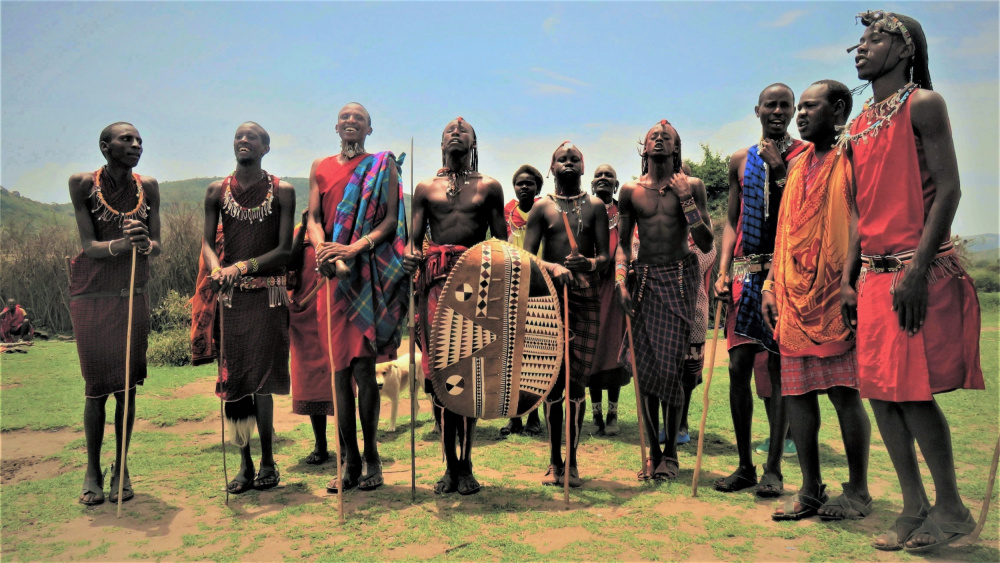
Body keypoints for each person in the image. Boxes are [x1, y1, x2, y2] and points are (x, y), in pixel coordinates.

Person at [841, 11, 984, 552]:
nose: (861, 47)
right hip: (874, 278)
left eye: (875, 38)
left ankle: (950, 508)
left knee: (912, 395)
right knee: (880, 395)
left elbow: (949, 190)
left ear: (904, 50)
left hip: (911, 270)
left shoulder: (923, 105)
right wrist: (850, 278)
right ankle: (912, 506)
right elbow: (859, 209)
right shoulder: (857, 123)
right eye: (859, 39)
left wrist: (919, 270)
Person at [764, 80, 872, 522]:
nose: (800, 115)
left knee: (845, 393)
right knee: (797, 394)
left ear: (839, 108)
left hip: (833, 295)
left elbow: (859, 218)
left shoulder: (853, 154)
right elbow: (786, 227)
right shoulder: (799, 162)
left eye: (810, 107)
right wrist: (771, 282)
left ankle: (859, 491)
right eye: (800, 108)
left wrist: (849, 279)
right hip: (792, 296)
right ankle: (810, 488)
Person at [307, 102, 408, 492]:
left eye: (359, 119)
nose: (351, 122)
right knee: (337, 374)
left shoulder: (382, 165)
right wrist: (323, 248)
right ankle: (347, 462)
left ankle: (372, 458)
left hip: (364, 274)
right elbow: (314, 218)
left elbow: (389, 221)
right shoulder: (320, 166)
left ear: (369, 128)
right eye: (345, 118)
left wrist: (352, 249)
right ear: (336, 126)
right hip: (331, 279)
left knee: (364, 371)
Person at [404, 117, 506, 495]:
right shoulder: (425, 188)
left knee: (471, 376)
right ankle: (449, 465)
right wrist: (410, 256)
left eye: (463, 130)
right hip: (434, 286)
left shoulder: (490, 187)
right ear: (441, 141)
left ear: (474, 141)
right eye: (449, 130)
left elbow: (501, 243)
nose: (456, 132)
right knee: (441, 380)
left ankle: (467, 464)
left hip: (475, 285)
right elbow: (414, 240)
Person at [714, 84, 807, 496]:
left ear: (792, 112)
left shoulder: (804, 155)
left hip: (785, 273)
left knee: (776, 369)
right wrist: (721, 271)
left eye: (785, 105)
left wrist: (782, 171)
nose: (777, 110)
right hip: (745, 272)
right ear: (757, 110)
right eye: (770, 104)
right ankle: (744, 465)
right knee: (737, 368)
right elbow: (732, 221)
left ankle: (773, 468)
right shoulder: (740, 159)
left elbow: (803, 210)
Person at [67, 122, 161, 505]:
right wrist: (122, 244)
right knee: (96, 388)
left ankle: (120, 466)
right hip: (92, 297)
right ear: (105, 146)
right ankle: (92, 468)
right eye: (127, 139)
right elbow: (88, 246)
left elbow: (156, 246)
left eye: (139, 139)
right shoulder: (82, 184)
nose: (136, 145)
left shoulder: (149, 187)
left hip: (131, 295)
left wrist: (144, 243)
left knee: (126, 387)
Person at [201, 121, 295, 495]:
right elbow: (207, 244)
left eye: (252, 137)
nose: (244, 141)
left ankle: (269, 461)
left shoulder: (283, 191)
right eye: (239, 136)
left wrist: (241, 266)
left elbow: (285, 250)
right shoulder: (215, 191)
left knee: (262, 381)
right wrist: (214, 268)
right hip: (231, 299)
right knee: (235, 381)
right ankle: (244, 463)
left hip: (268, 296)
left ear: (265, 148)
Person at [616, 120, 713, 480]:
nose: (658, 139)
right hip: (643, 281)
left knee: (672, 367)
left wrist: (686, 198)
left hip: (679, 280)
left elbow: (704, 242)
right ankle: (651, 453)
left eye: (666, 137)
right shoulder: (630, 191)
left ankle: (671, 454)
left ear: (676, 148)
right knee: (644, 371)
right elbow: (625, 245)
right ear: (644, 148)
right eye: (653, 136)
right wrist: (620, 281)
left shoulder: (694, 187)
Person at [524, 142, 610, 487]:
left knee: (577, 384)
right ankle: (554, 462)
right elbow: (526, 256)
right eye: (563, 159)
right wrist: (553, 267)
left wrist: (588, 263)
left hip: (585, 297)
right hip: (548, 299)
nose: (569, 163)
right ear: (552, 167)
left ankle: (573, 462)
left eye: (575, 159)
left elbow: (604, 257)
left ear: (583, 165)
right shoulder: (541, 209)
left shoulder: (596, 207)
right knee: (553, 383)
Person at [586, 164, 630, 437]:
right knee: (591, 349)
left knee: (614, 349)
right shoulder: (585, 211)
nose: (603, 179)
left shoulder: (623, 213)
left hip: (616, 288)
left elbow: (629, 243)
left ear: (616, 185)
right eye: (598, 176)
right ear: (591, 185)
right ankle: (596, 414)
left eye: (609, 176)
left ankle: (613, 414)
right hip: (590, 287)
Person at [501, 164, 544, 437]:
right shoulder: (507, 213)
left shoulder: (545, 210)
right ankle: (514, 418)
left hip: (540, 285)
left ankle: (535, 416)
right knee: (510, 357)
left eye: (530, 183)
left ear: (538, 188)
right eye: (519, 183)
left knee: (535, 356)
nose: (524, 186)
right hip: (511, 286)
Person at [287, 212, 334, 465]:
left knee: (338, 378)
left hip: (333, 311)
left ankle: (346, 444)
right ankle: (320, 443)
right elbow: (289, 263)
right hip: (303, 314)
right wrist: (304, 226)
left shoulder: (339, 227)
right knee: (310, 381)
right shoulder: (300, 231)